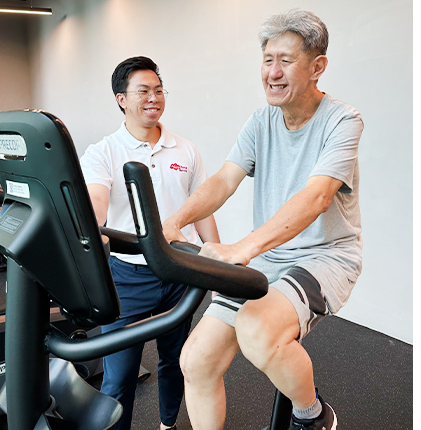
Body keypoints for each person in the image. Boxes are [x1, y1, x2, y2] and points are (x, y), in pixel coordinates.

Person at [162, 10, 362, 430]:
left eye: (285, 60)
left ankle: (313, 415)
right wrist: (174, 221)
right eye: (267, 59)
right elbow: (223, 180)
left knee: (258, 333)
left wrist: (243, 248)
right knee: (195, 361)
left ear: (317, 67)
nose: (272, 72)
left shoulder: (342, 121)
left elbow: (317, 197)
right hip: (270, 255)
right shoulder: (260, 121)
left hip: (324, 256)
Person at [79, 56, 220, 430]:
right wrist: (89, 219)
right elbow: (96, 202)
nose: (153, 98)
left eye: (159, 90)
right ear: (120, 99)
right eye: (143, 91)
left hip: (180, 272)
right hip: (127, 277)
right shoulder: (103, 152)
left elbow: (202, 210)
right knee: (118, 375)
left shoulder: (185, 150)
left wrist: (218, 265)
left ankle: (168, 424)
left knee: (175, 361)